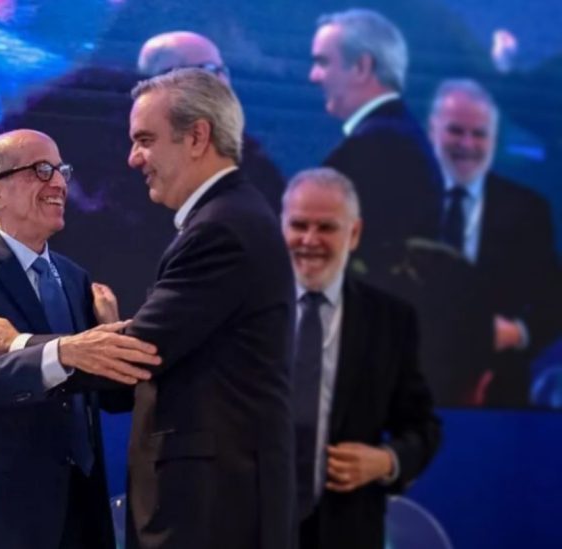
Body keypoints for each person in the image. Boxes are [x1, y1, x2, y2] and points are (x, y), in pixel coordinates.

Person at [0, 129, 160, 549]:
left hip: (79, 508)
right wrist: (62, 350)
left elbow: (107, 394)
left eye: (61, 170)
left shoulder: (74, 277)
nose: (59, 183)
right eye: (41, 170)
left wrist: (112, 339)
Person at [121, 69, 296, 548]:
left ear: (198, 137)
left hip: (213, 516)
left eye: (145, 140)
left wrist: (19, 347)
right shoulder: (231, 215)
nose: (133, 158)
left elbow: (141, 351)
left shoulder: (222, 229)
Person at [281, 167, 441, 549]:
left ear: (354, 234)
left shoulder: (391, 320)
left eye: (326, 227)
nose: (309, 240)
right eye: (299, 225)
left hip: (348, 530)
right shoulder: (245, 311)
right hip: (251, 528)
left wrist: (387, 461)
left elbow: (422, 426)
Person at [428, 79, 561, 406]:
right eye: (456, 131)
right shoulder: (399, 199)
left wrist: (518, 332)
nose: (467, 144)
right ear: (432, 130)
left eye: (479, 134)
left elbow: (553, 301)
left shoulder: (528, 210)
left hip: (500, 397)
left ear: (494, 139)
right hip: (411, 386)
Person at [309, 9, 443, 275]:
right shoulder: (397, 138)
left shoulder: (376, 148)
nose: (313, 76)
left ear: (362, 67)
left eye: (323, 63)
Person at [137, 30, 286, 213]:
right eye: (209, 70)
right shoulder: (134, 159)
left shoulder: (251, 160)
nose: (222, 81)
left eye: (222, 71)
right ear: (165, 78)